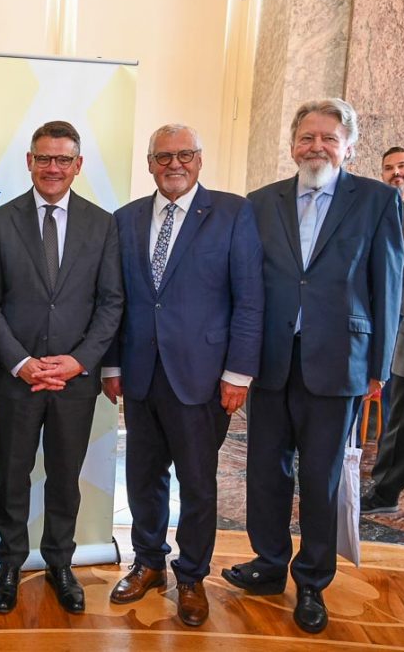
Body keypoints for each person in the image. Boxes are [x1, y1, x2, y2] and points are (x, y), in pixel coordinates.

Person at [221, 98, 403, 634]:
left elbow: (387, 285)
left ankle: (313, 581)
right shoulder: (260, 202)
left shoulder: (375, 201)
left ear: (349, 145)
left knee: (321, 479)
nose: (316, 146)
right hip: (271, 361)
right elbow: (247, 288)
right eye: (306, 137)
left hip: (340, 360)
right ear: (293, 144)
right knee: (265, 472)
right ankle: (270, 563)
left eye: (327, 137)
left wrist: (380, 367)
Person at [102, 124, 263, 626]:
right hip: (140, 373)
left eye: (185, 154)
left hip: (204, 375)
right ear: (150, 163)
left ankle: (191, 574)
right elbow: (115, 300)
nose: (175, 164)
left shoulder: (233, 213)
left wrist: (238, 373)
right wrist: (111, 364)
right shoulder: (125, 220)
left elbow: (249, 298)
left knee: (197, 483)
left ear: (199, 158)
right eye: (164, 156)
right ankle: (148, 562)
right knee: (142, 476)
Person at [0, 121, 123, 616]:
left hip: (74, 382)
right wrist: (21, 362)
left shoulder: (102, 223)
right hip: (15, 379)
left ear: (78, 166)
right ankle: (9, 563)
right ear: (29, 161)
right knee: (14, 476)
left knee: (65, 477)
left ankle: (59, 564)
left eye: (63, 160)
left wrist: (80, 361)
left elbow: (111, 303)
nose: (52, 168)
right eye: (44, 158)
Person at [364, 146, 404, 509]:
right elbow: (391, 285)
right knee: (399, 426)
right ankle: (384, 492)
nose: (396, 172)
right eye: (389, 167)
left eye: (402, 166)